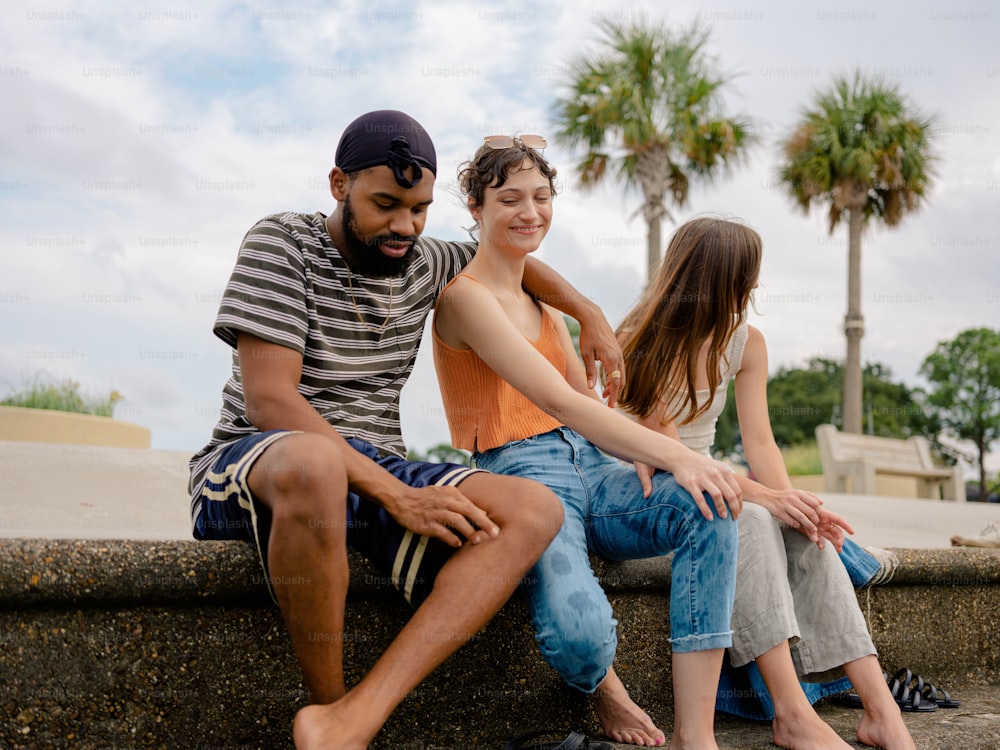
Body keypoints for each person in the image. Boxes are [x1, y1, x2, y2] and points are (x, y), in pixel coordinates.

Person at [187, 110, 627, 750]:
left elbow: (514, 263)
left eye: (419, 209)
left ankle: (351, 721)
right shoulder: (283, 242)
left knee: (533, 508)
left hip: (376, 464)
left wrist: (588, 311)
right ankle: (327, 705)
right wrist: (399, 496)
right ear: (339, 185)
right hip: (261, 461)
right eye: (386, 205)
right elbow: (270, 401)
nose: (404, 227)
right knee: (318, 464)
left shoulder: (425, 260)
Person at [431, 135, 743, 750]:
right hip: (522, 473)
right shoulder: (464, 300)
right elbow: (561, 402)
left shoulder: (544, 308)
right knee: (578, 633)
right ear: (475, 207)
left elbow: (589, 413)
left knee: (710, 506)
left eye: (542, 197)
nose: (530, 212)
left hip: (593, 467)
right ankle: (608, 690)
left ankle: (695, 737)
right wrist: (676, 454)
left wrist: (663, 455)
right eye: (510, 198)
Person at [616, 216, 917, 750]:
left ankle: (881, 710)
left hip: (719, 482)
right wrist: (768, 500)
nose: (753, 287)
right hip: (657, 490)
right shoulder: (640, 337)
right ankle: (792, 713)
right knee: (750, 515)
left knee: (803, 528)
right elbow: (670, 455)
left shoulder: (746, 342)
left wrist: (795, 504)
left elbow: (761, 443)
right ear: (717, 279)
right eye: (746, 276)